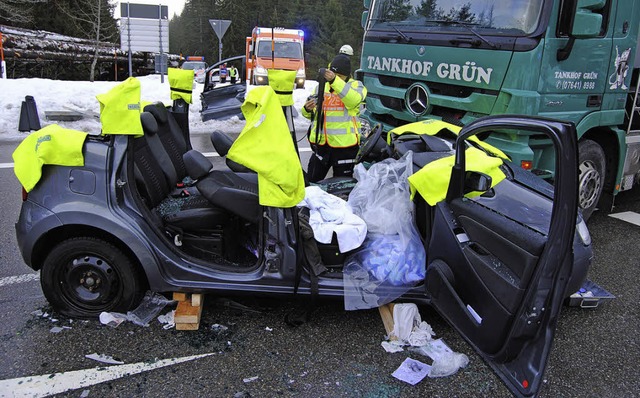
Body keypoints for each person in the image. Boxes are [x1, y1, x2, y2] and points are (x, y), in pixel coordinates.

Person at [302, 54, 367, 183]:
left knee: (342, 185)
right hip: (322, 145)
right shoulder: (321, 86)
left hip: (345, 147)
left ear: (347, 75)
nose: (336, 78)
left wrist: (334, 81)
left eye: (340, 76)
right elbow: (312, 115)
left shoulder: (357, 86)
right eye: (333, 74)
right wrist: (307, 109)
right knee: (311, 181)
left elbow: (353, 100)